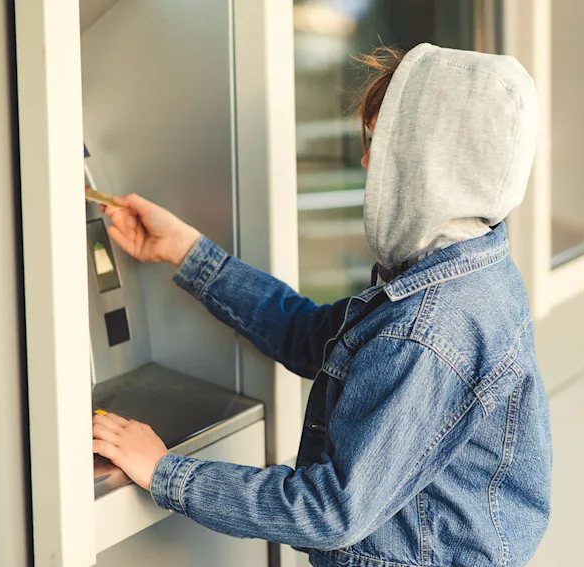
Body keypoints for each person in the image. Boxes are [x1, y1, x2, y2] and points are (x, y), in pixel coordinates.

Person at [92, 43, 551, 567]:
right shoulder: (470, 272)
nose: (364, 160)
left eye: (380, 142)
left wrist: (164, 471)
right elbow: (312, 336)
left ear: (431, 163)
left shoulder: (429, 328)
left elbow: (330, 511)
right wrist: (189, 252)